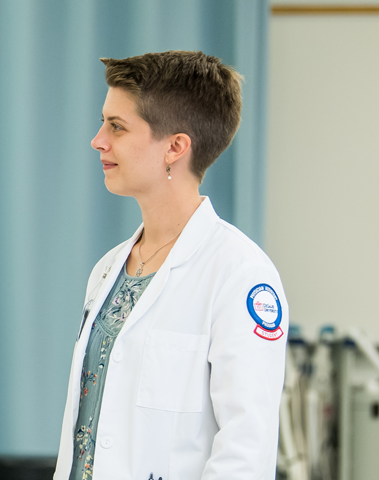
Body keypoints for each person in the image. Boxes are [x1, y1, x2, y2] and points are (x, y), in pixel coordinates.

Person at [54, 50, 288, 480]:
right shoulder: (109, 269)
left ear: (176, 147)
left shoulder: (240, 274)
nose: (98, 140)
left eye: (116, 126)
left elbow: (246, 453)